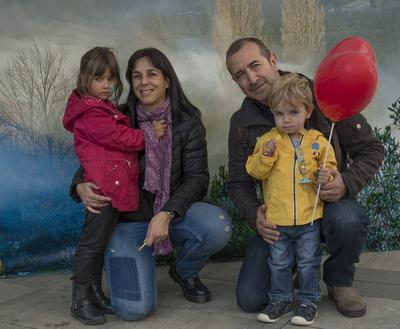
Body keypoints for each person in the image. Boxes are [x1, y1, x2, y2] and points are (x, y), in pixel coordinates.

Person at [69, 47, 232, 322]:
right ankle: (92, 289)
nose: (144, 82)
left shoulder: (187, 122)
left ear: (167, 79)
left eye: (152, 74)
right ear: (131, 83)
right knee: (134, 310)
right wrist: (78, 186)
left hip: (167, 215)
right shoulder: (117, 117)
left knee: (217, 225)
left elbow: (197, 178)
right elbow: (93, 159)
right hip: (126, 221)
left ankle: (184, 270)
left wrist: (167, 213)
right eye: (136, 76)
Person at [226, 37, 384, 318]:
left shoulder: (319, 94)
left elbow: (372, 149)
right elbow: (239, 182)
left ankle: (339, 281)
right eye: (240, 74)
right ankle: (296, 265)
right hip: (281, 217)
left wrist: (345, 182)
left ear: (273, 60)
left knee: (348, 220)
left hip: (327, 205)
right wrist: (255, 216)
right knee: (251, 299)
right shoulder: (242, 121)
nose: (251, 78)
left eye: (255, 65)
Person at [246, 73, 337, 325]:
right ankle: (280, 299)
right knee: (278, 263)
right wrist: (266, 156)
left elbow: (330, 170)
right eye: (279, 114)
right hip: (278, 220)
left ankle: (308, 301)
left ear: (308, 111)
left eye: (293, 113)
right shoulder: (267, 141)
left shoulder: (318, 141)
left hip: (308, 219)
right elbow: (254, 170)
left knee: (308, 263)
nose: (285, 120)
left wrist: (326, 176)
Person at [63, 47, 145, 325]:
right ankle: (80, 298)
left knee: (98, 245)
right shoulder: (92, 113)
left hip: (110, 185)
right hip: (103, 189)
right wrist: (146, 135)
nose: (107, 85)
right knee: (90, 246)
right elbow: (118, 138)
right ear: (85, 78)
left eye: (111, 79)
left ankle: (95, 293)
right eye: (99, 79)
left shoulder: (101, 107)